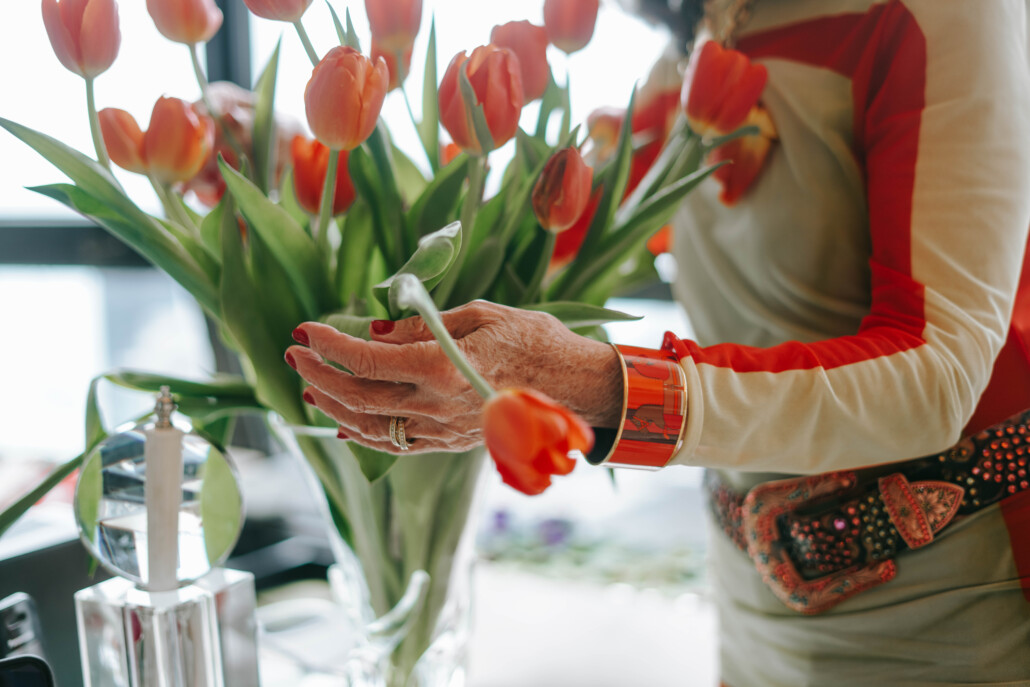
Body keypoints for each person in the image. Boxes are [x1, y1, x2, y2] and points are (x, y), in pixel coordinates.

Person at [287, 0, 1030, 684]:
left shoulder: (943, 16)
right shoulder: (701, 42)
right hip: (747, 607)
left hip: (948, 610)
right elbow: (546, 241)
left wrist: (599, 384)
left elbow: (936, 378)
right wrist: (287, 188)